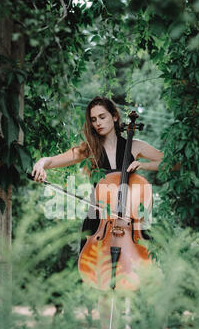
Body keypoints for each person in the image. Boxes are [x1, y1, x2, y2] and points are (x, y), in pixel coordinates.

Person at [31, 96, 164, 253]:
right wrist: (40, 164)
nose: (98, 123)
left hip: (129, 223)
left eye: (102, 117)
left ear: (114, 116)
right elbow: (51, 161)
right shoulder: (90, 149)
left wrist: (144, 165)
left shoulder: (135, 146)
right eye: (93, 120)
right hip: (98, 224)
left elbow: (172, 164)